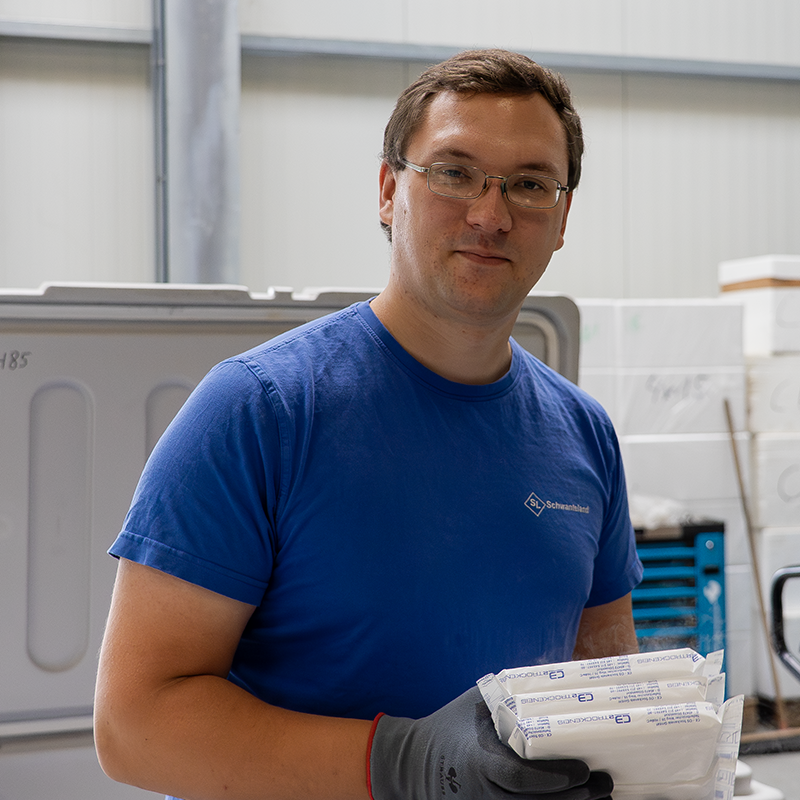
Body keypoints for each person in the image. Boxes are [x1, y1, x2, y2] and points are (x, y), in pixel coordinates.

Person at [94, 49, 643, 800]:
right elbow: (133, 727)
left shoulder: (583, 435)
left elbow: (602, 684)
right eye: (453, 172)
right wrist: (408, 764)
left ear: (562, 217)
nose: (491, 213)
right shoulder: (261, 411)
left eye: (530, 184)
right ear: (389, 191)